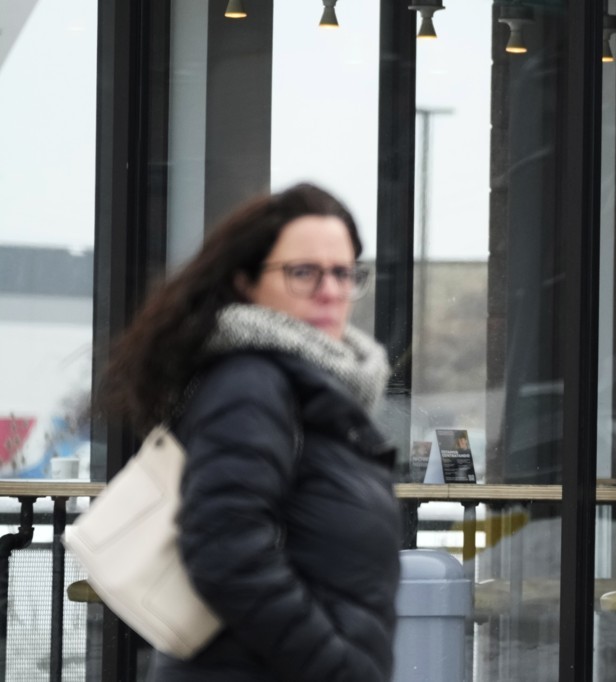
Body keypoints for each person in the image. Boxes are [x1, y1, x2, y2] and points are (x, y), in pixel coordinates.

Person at [99, 183, 400, 681]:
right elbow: (226, 554)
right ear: (246, 282)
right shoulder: (252, 384)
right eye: (304, 273)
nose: (330, 291)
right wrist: (338, 667)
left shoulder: (310, 388)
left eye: (344, 273)